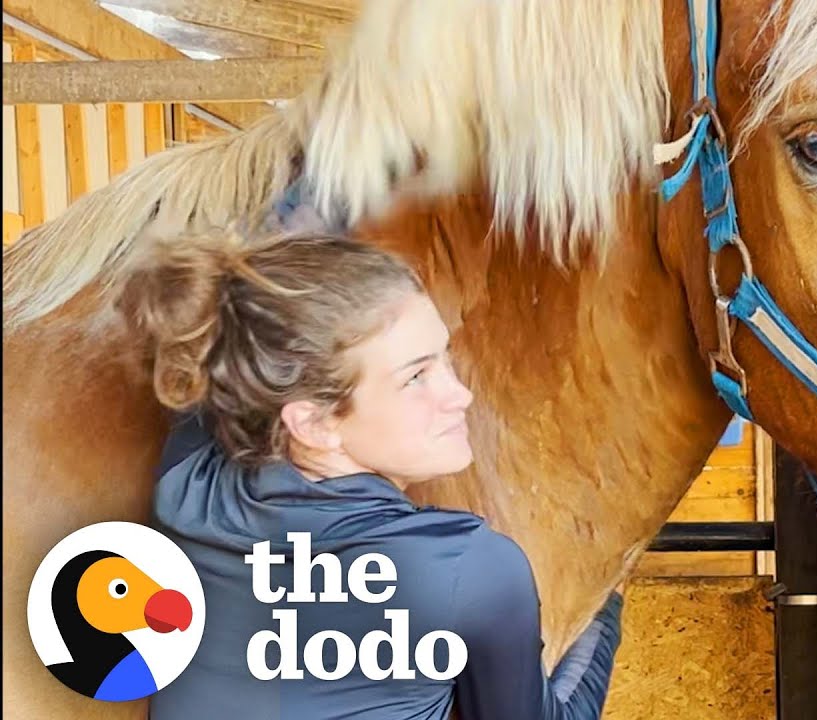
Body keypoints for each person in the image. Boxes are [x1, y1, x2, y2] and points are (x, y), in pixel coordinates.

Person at [114, 231, 624, 720]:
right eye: (416, 377)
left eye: (444, 358)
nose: (460, 395)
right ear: (314, 424)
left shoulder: (186, 482)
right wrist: (607, 597)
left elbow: (239, 333)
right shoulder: (467, 567)